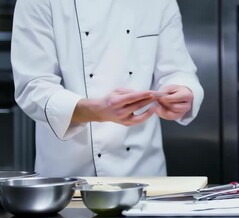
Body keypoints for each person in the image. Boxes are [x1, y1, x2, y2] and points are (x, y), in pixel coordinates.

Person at [11, 0, 204, 177]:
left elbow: (178, 70)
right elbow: (33, 86)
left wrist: (182, 91)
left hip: (144, 176)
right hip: (69, 179)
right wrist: (95, 111)